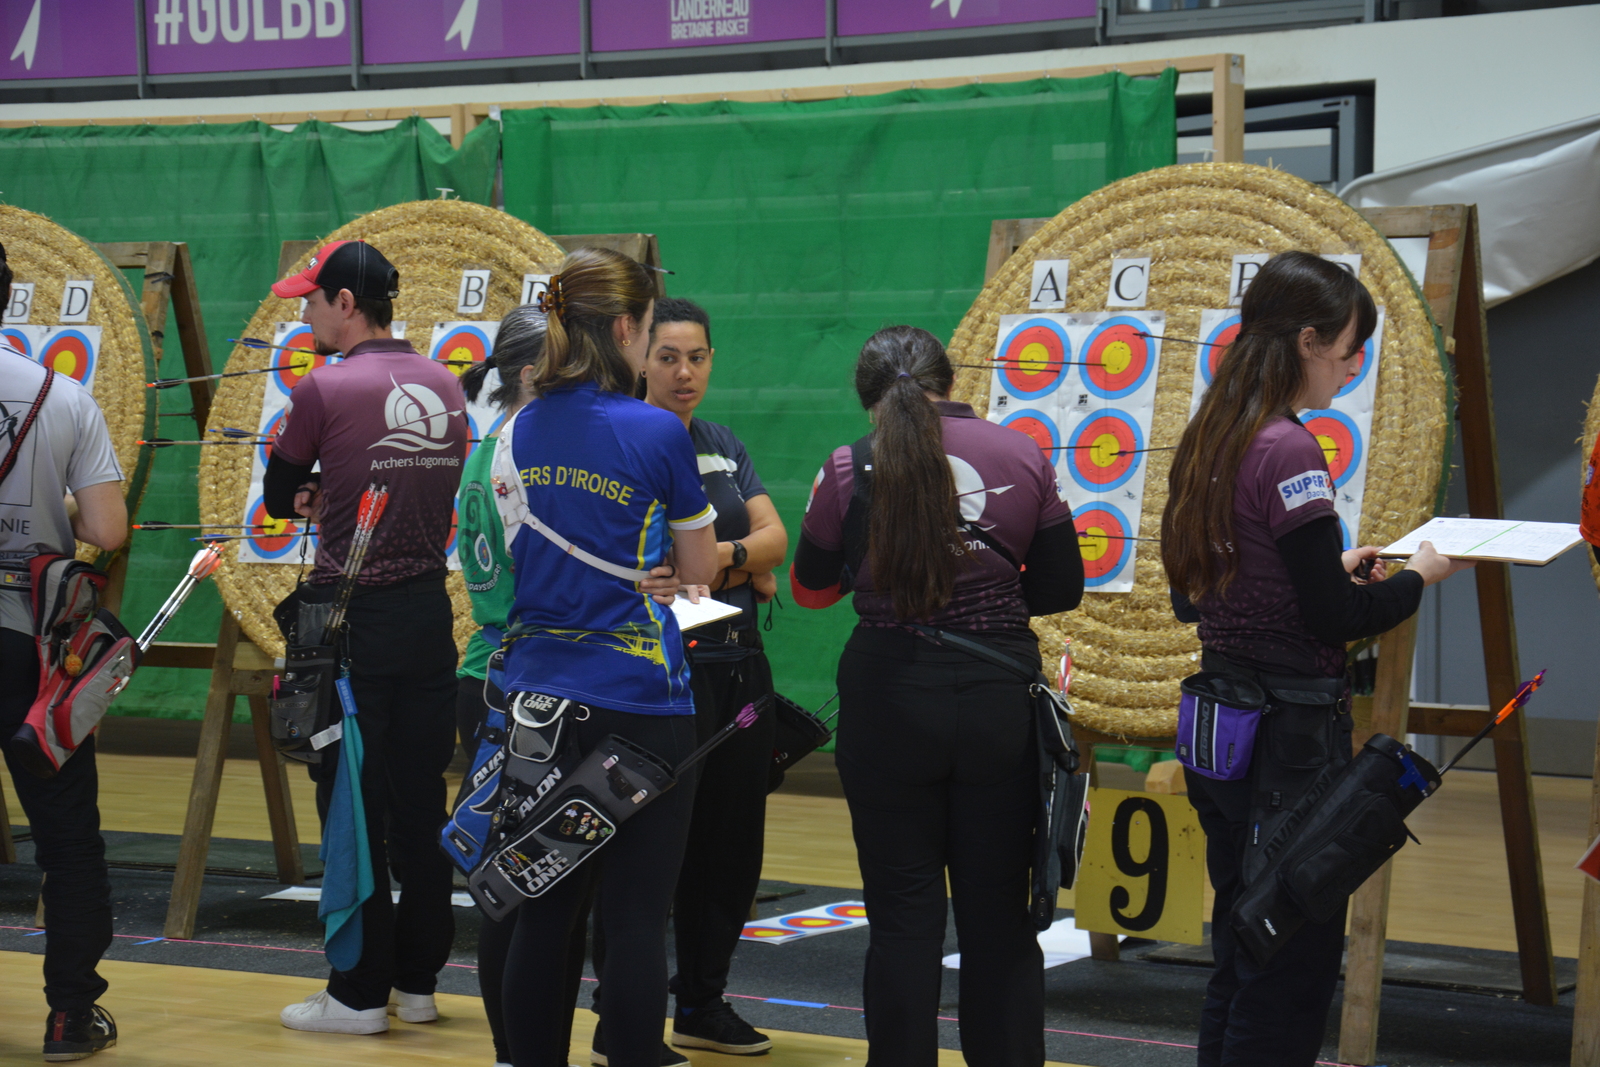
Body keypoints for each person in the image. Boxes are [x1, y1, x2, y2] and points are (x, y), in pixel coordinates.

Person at [1160, 250, 1473, 1067]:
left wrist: (1315, 569)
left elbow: (1197, 597)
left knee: (1245, 931)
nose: (1349, 367)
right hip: (1287, 739)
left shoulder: (1211, 434)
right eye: (1345, 350)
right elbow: (1337, 619)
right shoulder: (1288, 449)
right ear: (1307, 341)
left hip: (1220, 725)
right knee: (1289, 952)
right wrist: (1418, 577)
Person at [791, 326, 1085, 1067]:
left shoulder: (846, 465)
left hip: (887, 697)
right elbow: (1060, 586)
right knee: (999, 917)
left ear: (868, 398)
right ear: (951, 382)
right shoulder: (1021, 452)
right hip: (995, 699)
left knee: (902, 918)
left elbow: (812, 589)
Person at [494, 248, 717, 1067]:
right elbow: (699, 574)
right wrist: (667, 570)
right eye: (652, 330)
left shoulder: (516, 428)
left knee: (544, 909)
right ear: (626, 328)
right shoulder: (656, 430)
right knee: (633, 919)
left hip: (539, 703)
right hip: (643, 701)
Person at [262, 240, 469, 1035]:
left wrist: (315, 489)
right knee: (419, 802)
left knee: (350, 802)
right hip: (426, 619)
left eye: (312, 301)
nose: (306, 315)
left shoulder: (324, 384)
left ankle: (356, 991)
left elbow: (279, 492)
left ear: (346, 302)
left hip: (352, 626)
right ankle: (416, 982)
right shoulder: (444, 382)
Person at [598, 297, 787, 1058]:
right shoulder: (622, 438)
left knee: (731, 847)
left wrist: (723, 562)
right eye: (669, 356)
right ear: (640, 358)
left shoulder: (720, 443)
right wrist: (739, 566)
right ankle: (619, 1013)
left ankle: (703, 1001)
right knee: (648, 852)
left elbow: (775, 540)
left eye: (698, 357)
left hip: (737, 668)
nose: (685, 372)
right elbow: (640, 570)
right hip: (656, 674)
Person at [0, 242, 127, 1061]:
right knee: (67, 836)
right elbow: (107, 529)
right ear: (9, 296)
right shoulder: (62, 395)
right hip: (31, 649)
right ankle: (69, 1016)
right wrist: (53, 510)